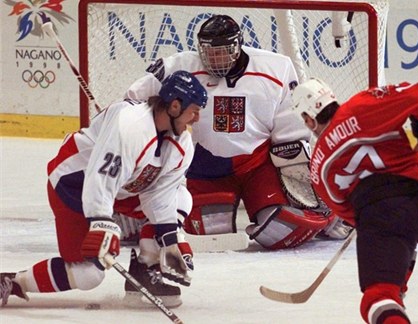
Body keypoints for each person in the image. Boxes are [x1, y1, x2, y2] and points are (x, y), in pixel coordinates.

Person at [123, 14, 352, 251]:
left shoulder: (276, 67)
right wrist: (124, 124)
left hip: (258, 167)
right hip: (205, 169)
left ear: (237, 46)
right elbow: (134, 97)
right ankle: (135, 218)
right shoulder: (179, 67)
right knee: (210, 234)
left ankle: (334, 214)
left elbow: (291, 134)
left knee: (283, 229)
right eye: (210, 52)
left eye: (222, 50)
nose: (215, 58)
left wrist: (309, 194)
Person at [0, 70, 208, 308]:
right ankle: (13, 281)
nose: (196, 119)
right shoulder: (131, 126)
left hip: (119, 190)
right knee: (90, 275)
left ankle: (145, 268)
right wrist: (101, 222)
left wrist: (170, 238)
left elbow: (159, 194)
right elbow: (101, 176)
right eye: (194, 111)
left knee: (181, 197)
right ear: (174, 106)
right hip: (73, 185)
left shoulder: (181, 144)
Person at [291, 78, 418, 324]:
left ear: (308, 119)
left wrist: (371, 224)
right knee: (402, 233)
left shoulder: (319, 164)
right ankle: (397, 281)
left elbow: (345, 211)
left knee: (376, 299)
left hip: (383, 215)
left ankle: (391, 293)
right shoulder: (364, 104)